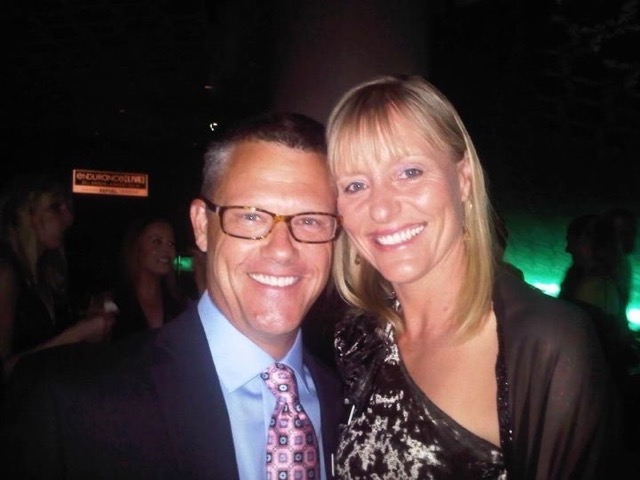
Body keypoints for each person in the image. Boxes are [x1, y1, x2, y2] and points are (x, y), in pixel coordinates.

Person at [0, 112, 344, 479]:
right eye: (250, 216)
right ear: (202, 226)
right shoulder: (69, 405)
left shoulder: (349, 402)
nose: (282, 250)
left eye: (311, 220)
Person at [326, 75, 618, 478]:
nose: (381, 209)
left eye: (409, 172)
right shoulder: (358, 336)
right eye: (355, 185)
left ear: (463, 179)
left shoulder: (546, 344)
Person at [0, 173, 114, 379]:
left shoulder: (44, 273)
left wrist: (87, 318)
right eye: (55, 207)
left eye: (68, 208)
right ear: (26, 212)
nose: (69, 218)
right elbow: (4, 370)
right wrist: (78, 334)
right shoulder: (6, 272)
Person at [106, 215, 189, 341]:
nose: (167, 250)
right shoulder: (113, 302)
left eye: (171, 244)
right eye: (157, 242)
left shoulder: (179, 302)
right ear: (137, 247)